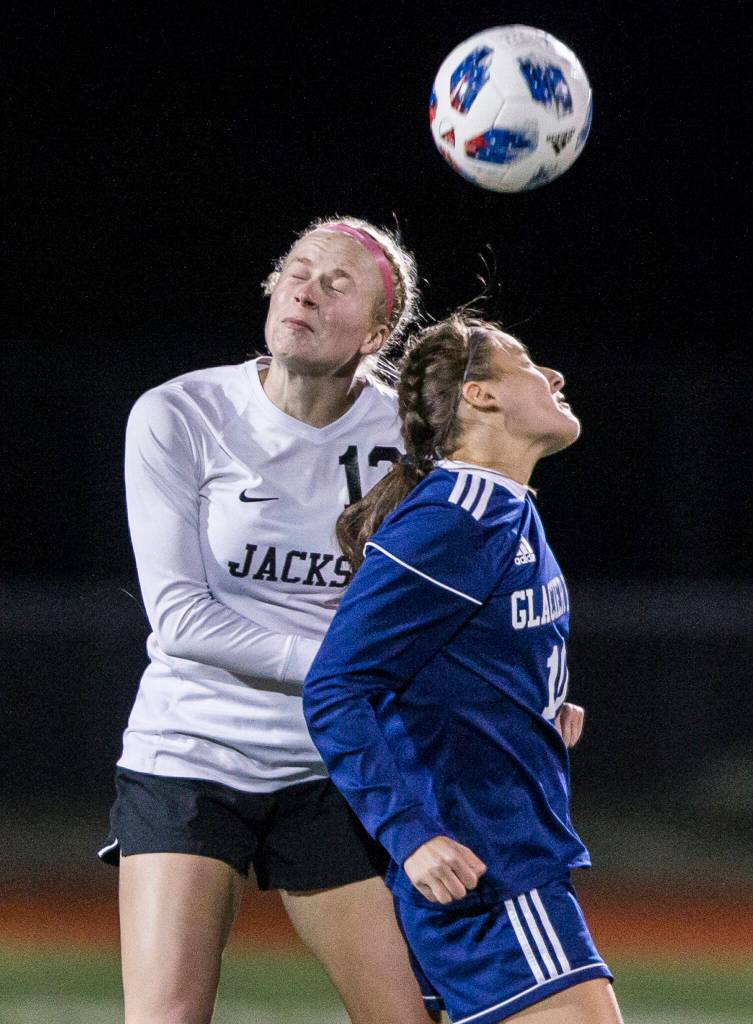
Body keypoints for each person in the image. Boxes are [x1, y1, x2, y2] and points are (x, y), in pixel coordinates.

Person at [97, 215, 442, 1024]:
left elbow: (448, 600)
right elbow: (181, 620)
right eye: (296, 269)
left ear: (379, 328)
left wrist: (531, 680)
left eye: (337, 282)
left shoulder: (410, 440)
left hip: (335, 763)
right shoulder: (179, 413)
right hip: (189, 753)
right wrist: (350, 664)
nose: (305, 289)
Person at [303, 314, 624, 1024]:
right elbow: (337, 686)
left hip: (501, 852)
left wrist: (534, 703)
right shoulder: (458, 516)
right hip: (486, 864)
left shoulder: (504, 509)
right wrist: (411, 835)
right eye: (528, 363)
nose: (553, 377)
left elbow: (443, 661)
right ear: (480, 397)